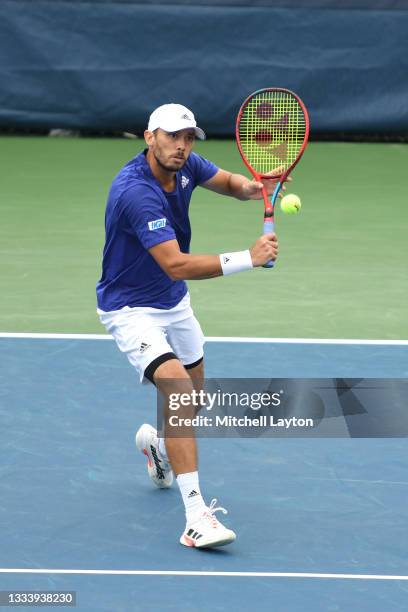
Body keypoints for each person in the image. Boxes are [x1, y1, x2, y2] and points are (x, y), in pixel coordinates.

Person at [96, 103, 280, 549]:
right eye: (172, 137)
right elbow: (175, 264)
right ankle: (197, 517)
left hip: (173, 304)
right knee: (178, 391)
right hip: (130, 308)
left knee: (191, 402)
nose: (181, 146)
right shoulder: (135, 192)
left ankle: (159, 448)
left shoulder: (185, 164)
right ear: (149, 137)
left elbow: (229, 183)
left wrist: (256, 188)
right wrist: (248, 259)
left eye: (188, 137)